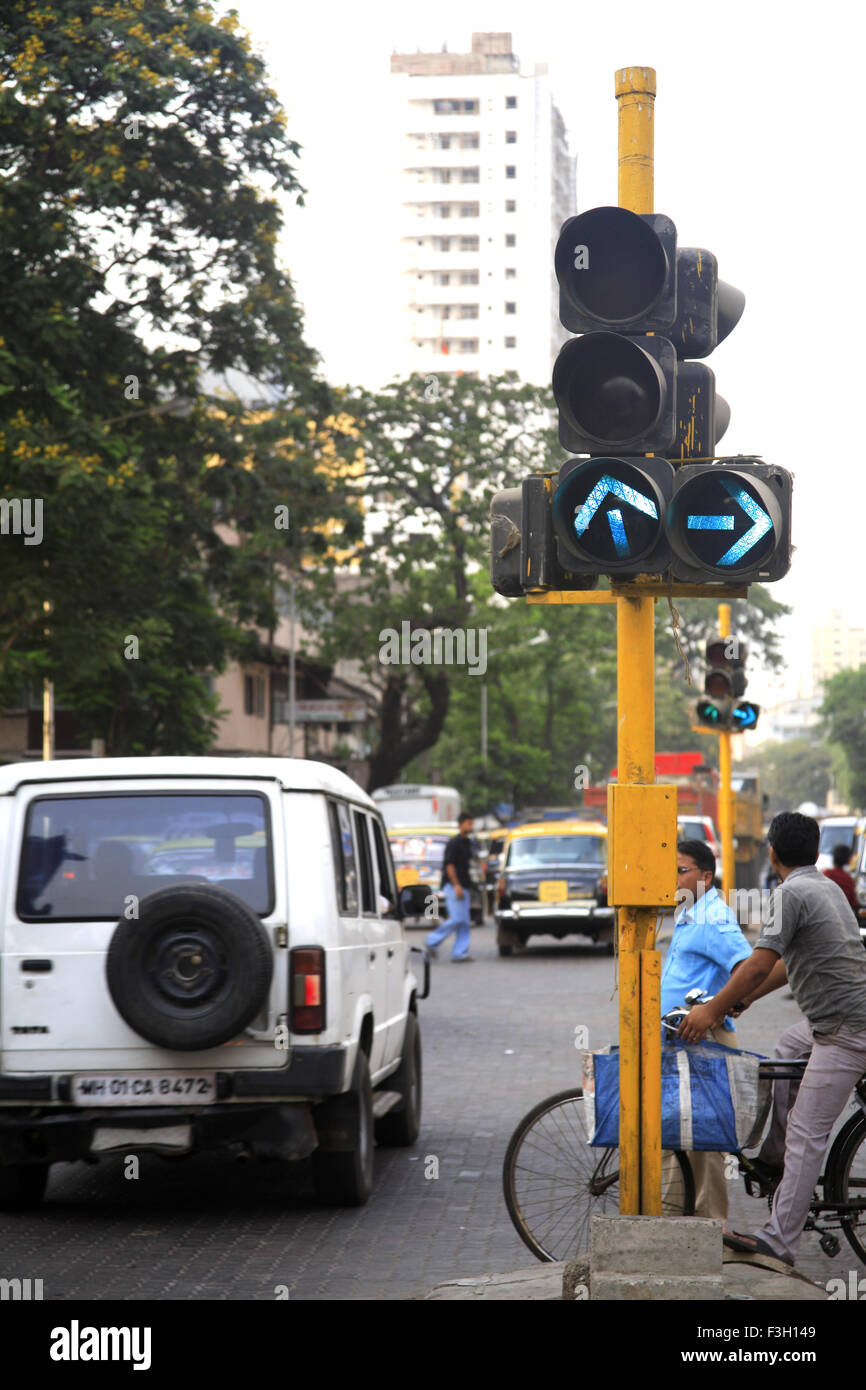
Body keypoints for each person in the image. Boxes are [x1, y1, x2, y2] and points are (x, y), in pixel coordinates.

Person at [677, 811, 866, 1267]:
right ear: (815, 852)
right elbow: (779, 966)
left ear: (772, 853)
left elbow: (760, 963)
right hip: (839, 1019)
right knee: (786, 1048)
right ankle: (774, 1158)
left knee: (807, 1133)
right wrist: (745, 1000)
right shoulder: (824, 887)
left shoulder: (790, 894)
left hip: (845, 1029)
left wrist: (712, 1010)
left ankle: (779, 1242)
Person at [661, 841, 752, 1219]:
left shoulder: (712, 916)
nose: (674, 877)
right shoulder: (690, 913)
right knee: (676, 1137)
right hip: (678, 1041)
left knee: (703, 1142)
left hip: (703, 1040)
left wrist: (714, 1010)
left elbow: (748, 966)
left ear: (705, 876)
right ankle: (673, 1223)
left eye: (681, 870)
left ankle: (712, 1232)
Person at [425, 813, 476, 962]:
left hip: (464, 886)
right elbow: (449, 865)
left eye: (472, 824)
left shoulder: (468, 843)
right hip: (454, 886)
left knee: (464, 922)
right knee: (457, 918)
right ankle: (431, 941)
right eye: (468, 824)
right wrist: (456, 885)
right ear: (461, 824)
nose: (471, 827)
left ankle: (460, 953)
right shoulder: (454, 843)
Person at [823, 841, 859, 919]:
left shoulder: (826, 874)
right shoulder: (848, 879)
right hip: (842, 917)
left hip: (825, 914)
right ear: (848, 860)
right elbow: (853, 903)